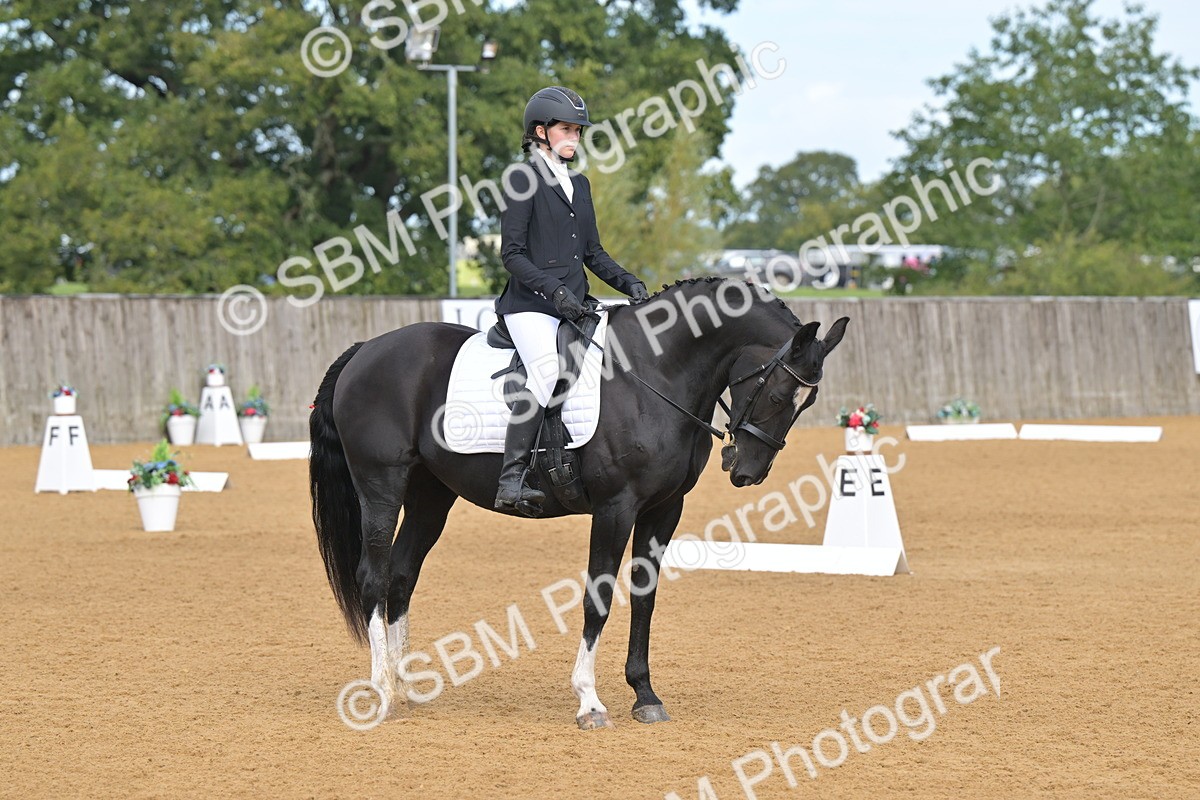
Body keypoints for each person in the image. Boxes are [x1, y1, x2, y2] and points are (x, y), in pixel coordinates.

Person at [493, 85, 650, 514]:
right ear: (540, 131)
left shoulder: (579, 185)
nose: (574, 138)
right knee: (545, 375)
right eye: (566, 129)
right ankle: (511, 480)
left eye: (577, 131)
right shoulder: (522, 179)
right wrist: (555, 290)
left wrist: (628, 282)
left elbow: (593, 253)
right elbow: (512, 255)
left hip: (575, 304)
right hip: (530, 306)